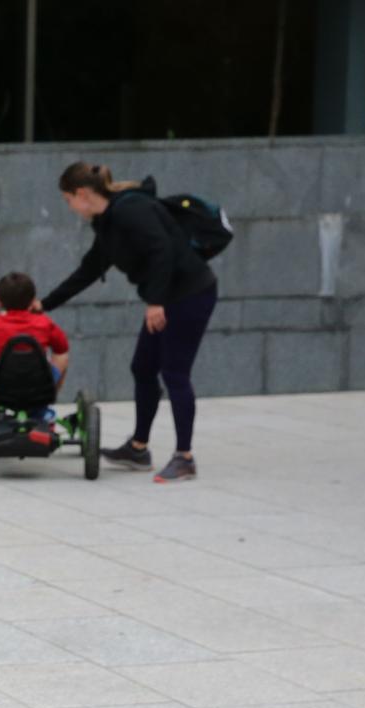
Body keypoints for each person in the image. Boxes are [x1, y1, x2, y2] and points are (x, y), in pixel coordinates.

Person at [40, 163, 218, 483]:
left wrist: (156, 301)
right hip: (168, 297)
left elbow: (161, 250)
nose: (69, 207)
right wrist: (44, 304)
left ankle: (184, 458)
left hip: (190, 294)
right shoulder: (107, 222)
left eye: (68, 200)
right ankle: (138, 448)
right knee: (143, 367)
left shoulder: (130, 211)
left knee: (174, 372)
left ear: (82, 194)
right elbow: (90, 269)